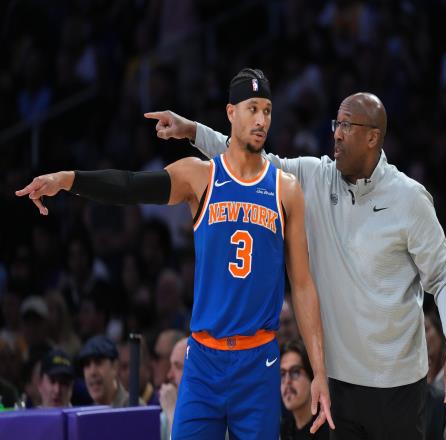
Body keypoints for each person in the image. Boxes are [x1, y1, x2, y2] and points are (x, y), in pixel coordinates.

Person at [16, 68, 333, 440]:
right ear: (231, 113)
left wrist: (319, 371)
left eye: (267, 110)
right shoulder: (199, 176)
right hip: (204, 359)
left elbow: (302, 285)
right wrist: (68, 179)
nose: (261, 119)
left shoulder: (286, 189)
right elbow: (131, 186)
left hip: (258, 359)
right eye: (252, 109)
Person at [146, 91, 446, 439]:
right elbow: (251, 159)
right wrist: (193, 131)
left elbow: (444, 277)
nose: (337, 134)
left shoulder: (409, 198)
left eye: (347, 126)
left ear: (373, 137)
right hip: (339, 383)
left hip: (398, 385)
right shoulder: (316, 177)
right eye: (336, 124)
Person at [281, 339, 329, 439]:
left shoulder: (330, 431)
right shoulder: (283, 429)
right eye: (282, 374)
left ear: (312, 377)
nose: (287, 381)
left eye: (295, 372)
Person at [78, 334, 131, 407]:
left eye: (98, 362)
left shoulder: (134, 408)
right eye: (87, 365)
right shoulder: (90, 411)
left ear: (114, 366)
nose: (92, 372)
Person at [159, 337, 188, 440]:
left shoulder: (216, 416)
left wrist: (173, 412)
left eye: (178, 367)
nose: (169, 375)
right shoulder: (164, 418)